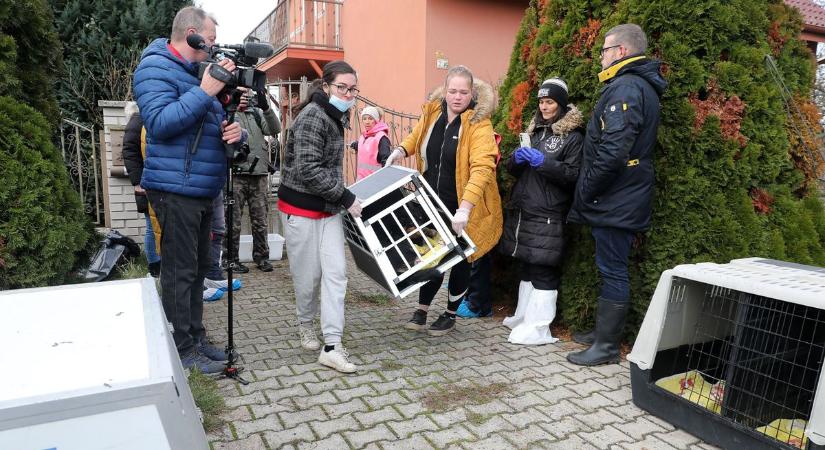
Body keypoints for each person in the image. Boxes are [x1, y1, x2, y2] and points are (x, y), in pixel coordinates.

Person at [133, 6, 246, 374]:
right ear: (193, 35)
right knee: (179, 272)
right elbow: (162, 123)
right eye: (210, 42)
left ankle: (195, 338)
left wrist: (235, 131)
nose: (214, 50)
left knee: (197, 271)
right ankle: (181, 352)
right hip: (174, 188)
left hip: (199, 188)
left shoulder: (193, 73)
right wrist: (206, 91)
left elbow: (203, 129)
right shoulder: (155, 67)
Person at [566, 24, 667, 366]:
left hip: (616, 196)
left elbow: (613, 151)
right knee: (608, 265)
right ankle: (602, 335)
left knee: (613, 269)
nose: (602, 56)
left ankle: (607, 348)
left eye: (606, 49)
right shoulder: (633, 85)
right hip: (621, 194)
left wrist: (588, 188)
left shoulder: (625, 87)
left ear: (622, 51)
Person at [385, 65, 503, 336]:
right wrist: (401, 150)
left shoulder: (478, 124)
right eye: (452, 91)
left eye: (463, 92)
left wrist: (465, 208)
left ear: (471, 93)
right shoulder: (433, 112)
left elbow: (482, 168)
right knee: (432, 256)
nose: (457, 97)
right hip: (430, 201)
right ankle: (423, 309)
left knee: (460, 259)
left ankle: (450, 314)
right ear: (445, 90)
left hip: (463, 205)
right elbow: (418, 137)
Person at [278, 60, 362, 373]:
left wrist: (341, 197)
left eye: (353, 88)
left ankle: (332, 345)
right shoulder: (314, 116)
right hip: (301, 209)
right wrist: (346, 196)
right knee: (308, 278)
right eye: (342, 87)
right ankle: (305, 325)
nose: (348, 93)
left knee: (337, 275)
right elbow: (308, 169)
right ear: (326, 86)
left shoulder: (337, 114)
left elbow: (326, 169)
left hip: (328, 210)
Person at [499, 78, 584, 345]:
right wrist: (516, 159)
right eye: (541, 102)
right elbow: (512, 170)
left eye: (550, 102)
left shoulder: (573, 137)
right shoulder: (534, 131)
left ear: (560, 104)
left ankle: (538, 328)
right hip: (524, 210)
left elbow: (573, 175)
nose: (544, 107)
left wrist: (543, 163)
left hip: (548, 211)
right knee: (526, 265)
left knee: (543, 269)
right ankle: (524, 316)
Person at [224, 87, 281, 273]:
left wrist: (266, 108)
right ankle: (230, 260)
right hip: (235, 175)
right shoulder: (226, 112)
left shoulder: (256, 112)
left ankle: (262, 257)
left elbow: (274, 129)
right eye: (239, 93)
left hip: (258, 174)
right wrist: (230, 108)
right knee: (233, 221)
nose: (244, 96)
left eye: (246, 93)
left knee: (260, 220)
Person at [121, 101, 161, 278]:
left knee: (156, 226)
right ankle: (154, 266)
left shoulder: (144, 119)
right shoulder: (138, 120)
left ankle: (159, 264)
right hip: (146, 184)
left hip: (154, 182)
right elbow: (129, 152)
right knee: (151, 227)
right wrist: (138, 182)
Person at [351, 106, 391, 179]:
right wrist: (356, 145)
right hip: (361, 178)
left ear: (376, 120)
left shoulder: (381, 137)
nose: (367, 122)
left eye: (370, 118)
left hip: (375, 180)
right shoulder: (363, 136)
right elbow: (366, 148)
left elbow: (386, 160)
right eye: (364, 119)